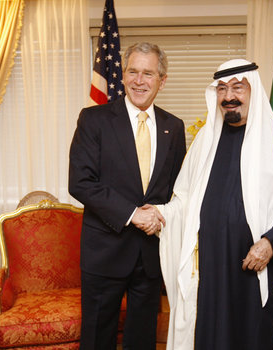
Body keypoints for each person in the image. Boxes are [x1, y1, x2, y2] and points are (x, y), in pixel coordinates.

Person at [146, 59, 273, 349]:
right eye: (221, 89)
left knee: (253, 336)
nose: (228, 96)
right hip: (209, 265)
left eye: (237, 87)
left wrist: (271, 241)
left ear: (253, 90)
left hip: (256, 264)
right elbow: (185, 200)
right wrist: (161, 213)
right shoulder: (205, 140)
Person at [68, 42, 186, 350]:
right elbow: (80, 182)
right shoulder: (94, 119)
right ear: (123, 75)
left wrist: (162, 215)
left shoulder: (174, 127)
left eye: (148, 73)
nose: (138, 80)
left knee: (143, 338)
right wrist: (134, 214)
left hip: (150, 254)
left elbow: (178, 189)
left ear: (162, 79)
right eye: (132, 71)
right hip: (105, 251)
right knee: (97, 337)